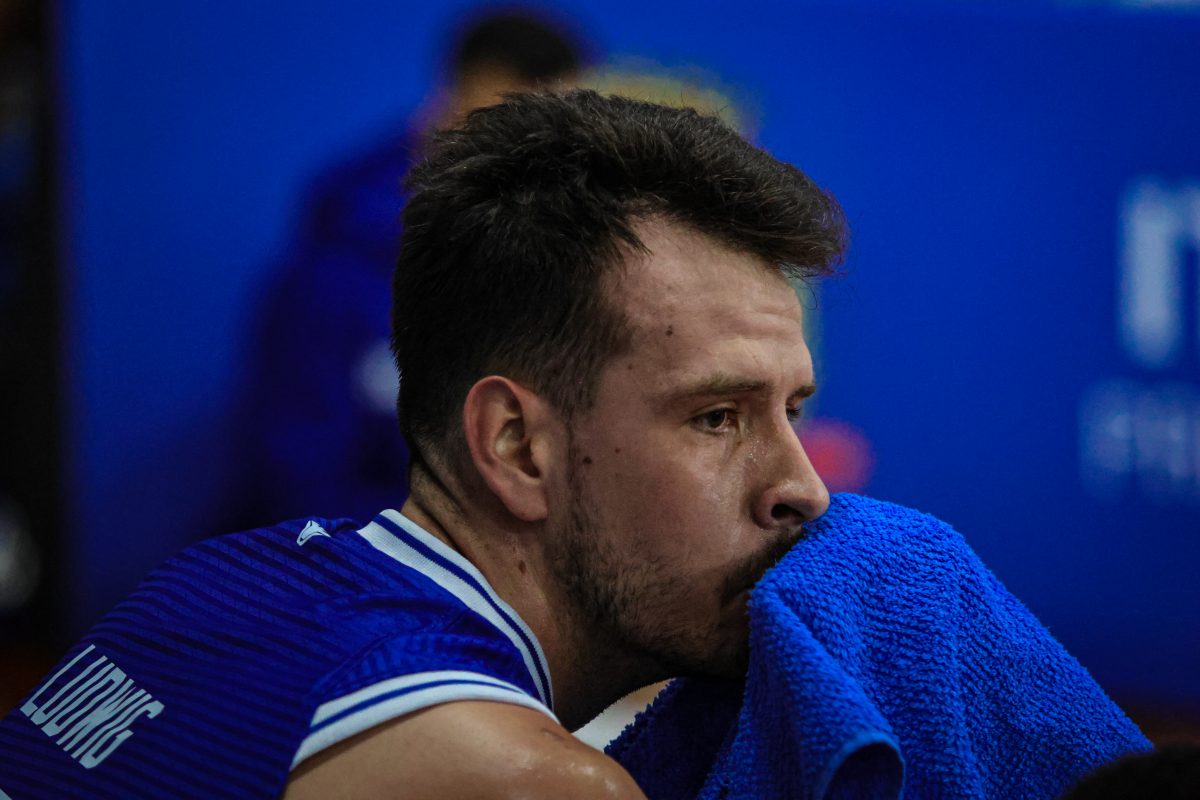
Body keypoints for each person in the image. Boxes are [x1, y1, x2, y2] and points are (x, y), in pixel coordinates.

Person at [0, 90, 843, 798]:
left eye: (794, 411)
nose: (803, 488)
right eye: (717, 417)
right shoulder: (530, 783)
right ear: (516, 445)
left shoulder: (216, 581)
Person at [235, 8, 589, 526]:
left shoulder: (557, 262)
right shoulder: (336, 274)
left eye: (559, 130)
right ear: (457, 104)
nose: (542, 154)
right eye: (515, 123)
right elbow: (300, 485)